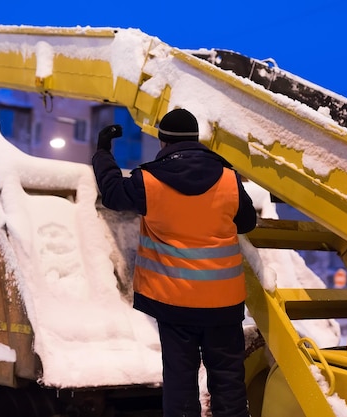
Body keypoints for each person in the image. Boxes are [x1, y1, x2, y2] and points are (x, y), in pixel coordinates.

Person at [92, 108, 257, 417]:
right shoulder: (228, 179)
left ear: (163, 143)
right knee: (230, 384)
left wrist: (103, 152)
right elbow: (247, 222)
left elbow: (113, 194)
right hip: (223, 304)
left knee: (181, 385)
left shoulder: (149, 180)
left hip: (174, 303)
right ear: (196, 140)